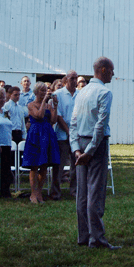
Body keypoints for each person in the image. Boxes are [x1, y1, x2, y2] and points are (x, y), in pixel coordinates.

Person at [70, 57, 118, 249]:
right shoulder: (104, 92)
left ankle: (84, 236)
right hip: (95, 145)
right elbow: (101, 125)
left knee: (82, 193)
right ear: (103, 70)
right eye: (112, 70)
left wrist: (76, 149)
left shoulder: (81, 92)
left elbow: (73, 122)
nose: (113, 74)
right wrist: (89, 152)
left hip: (81, 142)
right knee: (95, 193)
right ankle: (96, 239)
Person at [22, 81, 60, 204]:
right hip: (35, 134)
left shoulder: (49, 106)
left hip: (47, 133)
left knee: (44, 164)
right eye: (42, 91)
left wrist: (55, 106)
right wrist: (44, 101)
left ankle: (39, 192)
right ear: (36, 92)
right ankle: (33, 193)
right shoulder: (30, 105)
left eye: (45, 90)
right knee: (34, 165)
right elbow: (39, 115)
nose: (44, 92)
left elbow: (53, 120)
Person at [52, 71, 79, 200]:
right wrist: (68, 132)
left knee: (76, 164)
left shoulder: (80, 94)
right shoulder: (58, 94)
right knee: (59, 165)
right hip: (62, 135)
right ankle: (55, 192)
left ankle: (74, 191)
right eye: (72, 78)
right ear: (66, 80)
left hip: (77, 134)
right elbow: (58, 116)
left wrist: (75, 133)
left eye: (76, 78)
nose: (74, 81)